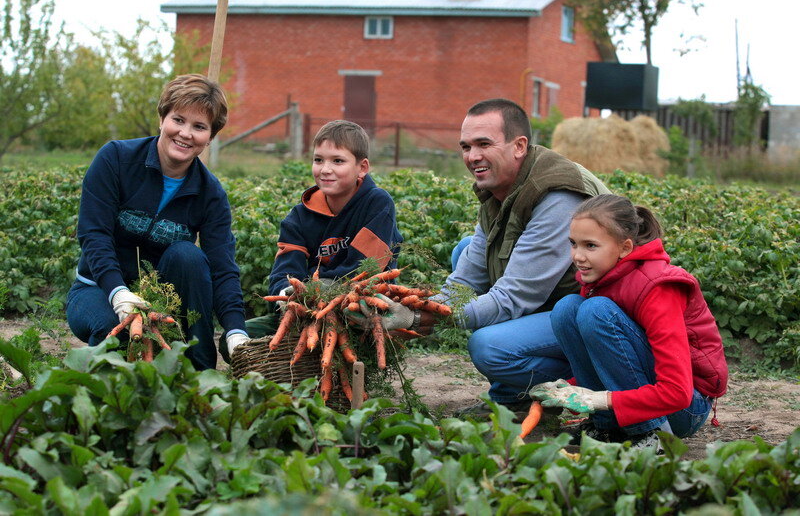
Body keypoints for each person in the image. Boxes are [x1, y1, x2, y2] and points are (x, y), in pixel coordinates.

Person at [361, 98, 611, 416]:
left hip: (593, 317)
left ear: (519, 145)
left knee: (489, 347)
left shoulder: (557, 196)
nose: (472, 156)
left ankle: (563, 390)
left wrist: (421, 319)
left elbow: (513, 297)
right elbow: (466, 277)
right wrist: (416, 309)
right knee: (464, 249)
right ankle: (513, 394)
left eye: (483, 144)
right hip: (553, 299)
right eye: (466, 146)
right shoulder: (501, 186)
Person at [65, 74, 249, 370]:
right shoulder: (116, 159)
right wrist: (118, 292)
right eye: (178, 119)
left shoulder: (210, 193)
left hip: (164, 300)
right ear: (162, 118)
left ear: (210, 137)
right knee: (115, 336)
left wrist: (236, 330)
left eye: (199, 127)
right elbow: (93, 233)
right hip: (97, 289)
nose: (186, 134)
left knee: (188, 255)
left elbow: (222, 267)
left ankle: (200, 372)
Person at [529, 194, 728, 450]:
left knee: (595, 311)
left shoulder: (658, 287)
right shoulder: (601, 277)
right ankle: (605, 427)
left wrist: (599, 399)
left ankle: (650, 435)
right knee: (567, 308)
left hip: (684, 409)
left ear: (625, 248)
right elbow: (619, 358)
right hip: (642, 396)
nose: (577, 256)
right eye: (573, 244)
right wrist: (568, 388)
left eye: (590, 246)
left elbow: (676, 392)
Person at [245, 119, 403, 338]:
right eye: (318, 160)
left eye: (338, 161)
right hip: (305, 311)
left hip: (361, 312)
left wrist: (315, 288)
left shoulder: (377, 204)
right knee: (240, 337)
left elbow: (365, 271)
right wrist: (288, 297)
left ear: (362, 168)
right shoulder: (299, 217)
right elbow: (285, 272)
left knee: (357, 327)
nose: (325, 169)